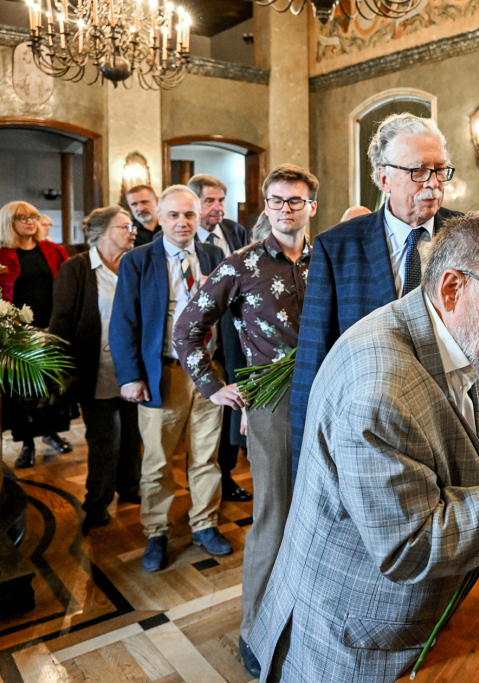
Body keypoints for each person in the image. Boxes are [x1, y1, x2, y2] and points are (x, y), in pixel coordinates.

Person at [250, 212, 479, 682]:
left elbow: (430, 436)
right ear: (452, 288)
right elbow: (411, 544)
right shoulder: (378, 387)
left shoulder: (438, 329)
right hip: (355, 643)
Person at [290, 112, 479, 483]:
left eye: (441, 170)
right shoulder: (337, 247)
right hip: (370, 435)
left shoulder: (474, 240)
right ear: (383, 177)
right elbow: (313, 362)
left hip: (455, 430)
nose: (434, 184)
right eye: (419, 171)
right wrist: (306, 464)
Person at [173, 164, 317, 678]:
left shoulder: (324, 260)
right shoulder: (242, 263)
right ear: (265, 206)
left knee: (322, 515)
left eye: (295, 201)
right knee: (274, 519)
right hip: (272, 405)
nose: (285, 209)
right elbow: (186, 329)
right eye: (277, 201)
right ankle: (256, 630)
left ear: (311, 207)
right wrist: (215, 388)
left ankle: (306, 620)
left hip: (325, 398)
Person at [110, 185, 232, 572]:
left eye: (190, 215)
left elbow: (229, 313)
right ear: (159, 219)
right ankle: (157, 531)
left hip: (210, 373)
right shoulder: (138, 261)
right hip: (164, 373)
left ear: (199, 219)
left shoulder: (214, 255)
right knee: (159, 461)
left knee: (206, 456)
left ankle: (204, 523)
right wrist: (130, 376)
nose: (183, 222)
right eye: (175, 215)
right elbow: (123, 321)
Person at [49, 206, 142, 532]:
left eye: (132, 226)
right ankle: (97, 502)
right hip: (94, 370)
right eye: (125, 226)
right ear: (101, 233)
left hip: (133, 369)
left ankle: (130, 487)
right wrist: (62, 372)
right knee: (106, 439)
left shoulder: (133, 265)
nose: (133, 231)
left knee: (133, 434)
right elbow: (60, 323)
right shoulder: (75, 269)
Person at [186, 173, 251, 502]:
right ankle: (213, 478)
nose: (217, 207)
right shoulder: (188, 241)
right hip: (205, 337)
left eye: (220, 200)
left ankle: (227, 474)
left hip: (236, 336)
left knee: (231, 410)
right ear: (194, 203)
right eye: (209, 200)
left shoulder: (235, 232)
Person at [0, 201, 72, 467]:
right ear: (9, 222)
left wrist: (58, 324)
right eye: (22, 217)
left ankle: (50, 433)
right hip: (17, 333)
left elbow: (67, 287)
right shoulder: (2, 254)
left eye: (33, 216)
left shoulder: (53, 250)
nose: (30, 221)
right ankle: (27, 443)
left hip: (52, 327)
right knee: (23, 392)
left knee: (50, 388)